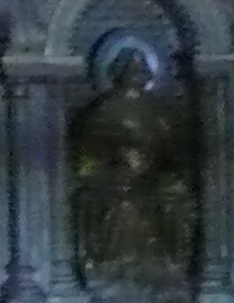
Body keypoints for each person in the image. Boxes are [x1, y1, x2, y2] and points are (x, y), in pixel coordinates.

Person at [69, 46, 195, 291]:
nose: (134, 73)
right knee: (122, 206)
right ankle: (113, 271)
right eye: (127, 68)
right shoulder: (103, 110)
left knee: (174, 201)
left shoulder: (161, 111)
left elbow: (177, 155)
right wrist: (108, 171)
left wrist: (170, 175)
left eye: (139, 68)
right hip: (112, 179)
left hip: (155, 178)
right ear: (116, 73)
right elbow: (85, 159)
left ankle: (169, 269)